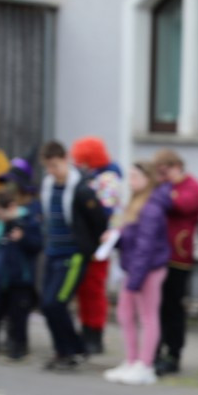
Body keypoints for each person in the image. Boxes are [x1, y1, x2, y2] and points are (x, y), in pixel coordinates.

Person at [38, 141, 109, 369]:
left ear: (66, 159)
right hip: (52, 252)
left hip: (73, 255)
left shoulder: (81, 188)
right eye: (48, 167)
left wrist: (89, 248)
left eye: (55, 165)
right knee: (46, 305)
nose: (52, 171)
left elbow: (98, 220)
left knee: (56, 302)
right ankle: (64, 350)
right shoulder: (48, 185)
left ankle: (74, 350)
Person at [103, 162, 170, 386]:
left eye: (134, 177)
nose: (130, 181)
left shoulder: (151, 207)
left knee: (147, 316)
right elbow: (131, 239)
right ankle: (131, 360)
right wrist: (115, 240)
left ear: (147, 179)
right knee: (124, 314)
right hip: (134, 267)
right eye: (129, 176)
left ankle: (145, 364)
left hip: (147, 269)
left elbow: (146, 246)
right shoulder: (134, 202)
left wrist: (136, 278)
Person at [68, 137, 123, 356]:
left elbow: (107, 213)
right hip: (86, 242)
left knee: (94, 289)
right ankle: (86, 329)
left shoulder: (107, 179)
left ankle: (95, 333)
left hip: (100, 244)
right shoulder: (91, 177)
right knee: (84, 290)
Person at [153, 149, 198, 375]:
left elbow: (183, 205)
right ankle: (156, 349)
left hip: (178, 256)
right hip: (158, 255)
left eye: (165, 172)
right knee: (157, 307)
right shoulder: (167, 187)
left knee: (173, 307)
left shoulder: (192, 186)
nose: (162, 177)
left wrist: (165, 189)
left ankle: (174, 352)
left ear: (175, 166)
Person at [0, 191, 42, 359]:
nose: (0, 217)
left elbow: (36, 245)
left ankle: (19, 347)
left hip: (21, 278)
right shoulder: (2, 225)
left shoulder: (27, 222)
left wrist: (22, 238)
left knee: (18, 317)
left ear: (11, 208)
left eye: (1, 213)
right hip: (3, 279)